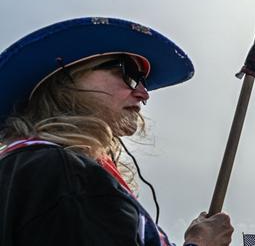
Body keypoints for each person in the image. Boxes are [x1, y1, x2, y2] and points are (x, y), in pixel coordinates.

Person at [0, 17, 234, 246]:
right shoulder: (62, 172)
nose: (144, 93)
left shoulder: (33, 170)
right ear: (66, 80)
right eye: (129, 74)